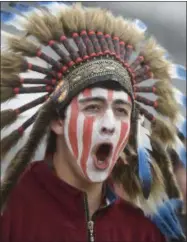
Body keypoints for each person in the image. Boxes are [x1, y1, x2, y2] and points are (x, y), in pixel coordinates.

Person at [1, 2, 186, 242]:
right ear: (57, 120)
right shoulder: (10, 214)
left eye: (121, 110)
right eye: (93, 107)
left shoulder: (141, 232)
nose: (109, 123)